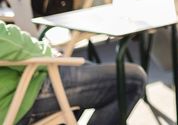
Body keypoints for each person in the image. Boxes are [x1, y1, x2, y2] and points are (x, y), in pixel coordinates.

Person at [0, 21, 146, 124]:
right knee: (131, 79)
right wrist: (51, 55)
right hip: (16, 100)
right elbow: (9, 41)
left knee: (85, 70)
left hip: (16, 89)